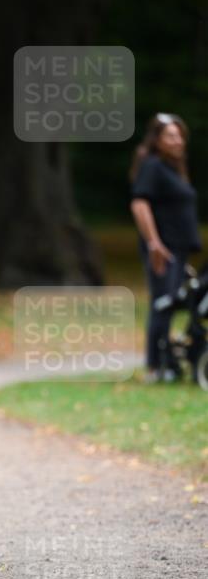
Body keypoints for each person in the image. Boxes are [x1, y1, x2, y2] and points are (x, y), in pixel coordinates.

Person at [130, 112, 203, 382]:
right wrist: (154, 243)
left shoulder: (173, 169)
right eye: (170, 136)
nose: (177, 140)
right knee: (162, 304)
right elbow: (139, 203)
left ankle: (167, 361)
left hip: (177, 250)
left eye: (179, 135)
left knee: (172, 304)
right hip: (163, 250)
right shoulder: (152, 167)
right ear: (157, 140)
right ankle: (154, 367)